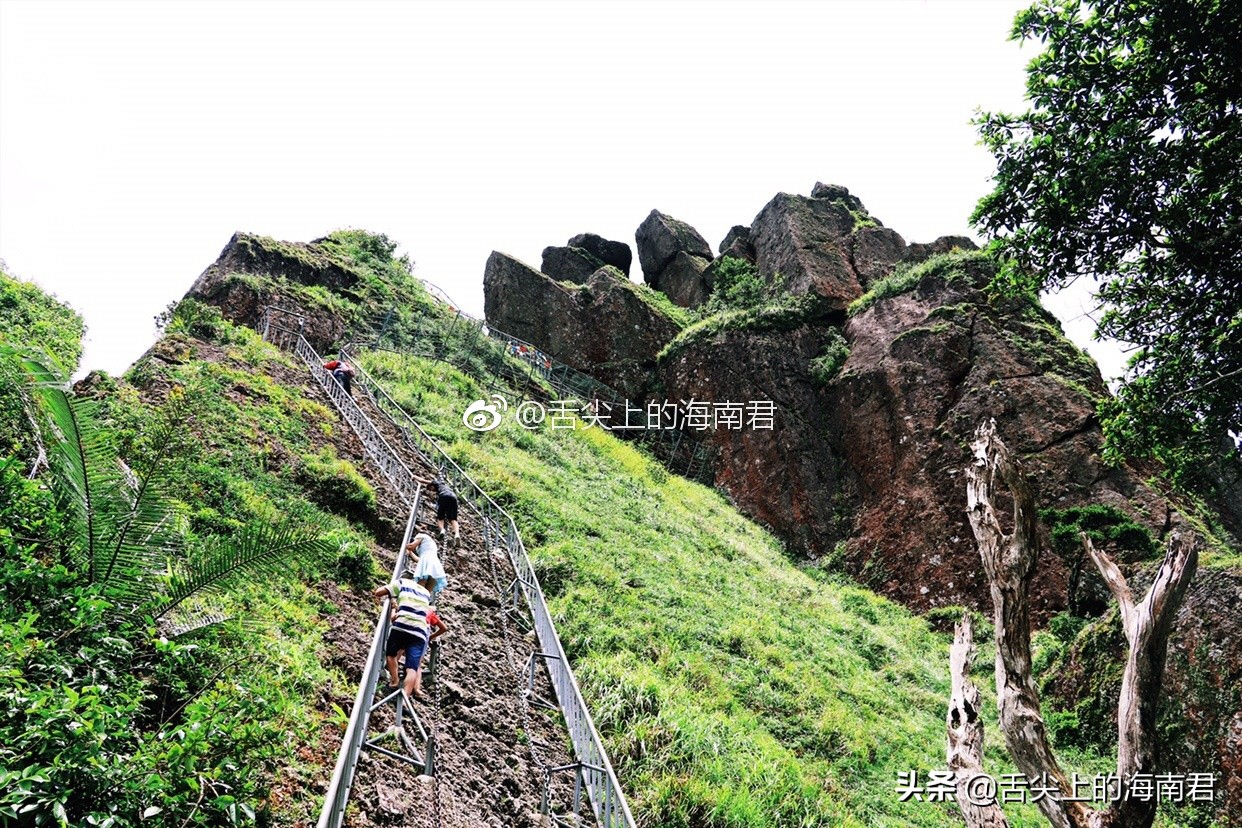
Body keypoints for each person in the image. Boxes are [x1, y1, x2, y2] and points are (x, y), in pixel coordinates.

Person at [372, 568, 433, 700]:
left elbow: (378, 592)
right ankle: (404, 698)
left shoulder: (402, 582)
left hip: (402, 625)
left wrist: (393, 598)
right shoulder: (426, 593)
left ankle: (394, 681)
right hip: (420, 631)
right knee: (412, 667)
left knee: (391, 654)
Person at [406, 529, 447, 596]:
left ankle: (416, 600)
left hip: (427, 561)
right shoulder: (431, 543)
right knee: (427, 591)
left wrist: (405, 545)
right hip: (435, 564)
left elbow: (411, 546)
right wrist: (410, 553)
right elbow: (420, 560)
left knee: (421, 584)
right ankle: (423, 602)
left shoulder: (421, 535)